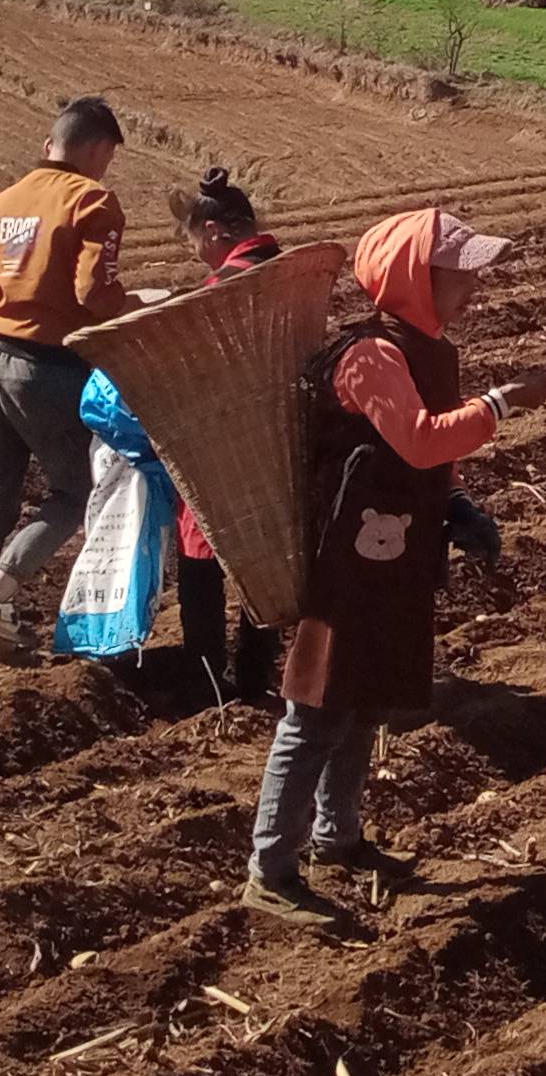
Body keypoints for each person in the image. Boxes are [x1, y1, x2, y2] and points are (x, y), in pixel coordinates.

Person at [245, 208, 522, 923]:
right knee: (317, 707)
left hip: (400, 553)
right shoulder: (370, 355)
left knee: (365, 703)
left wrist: (457, 506)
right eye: (459, 276)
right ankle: (271, 867)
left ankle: (338, 838)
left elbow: (434, 462)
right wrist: (496, 407)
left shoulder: (431, 350)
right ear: (414, 279)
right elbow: (421, 439)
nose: (473, 291)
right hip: (351, 560)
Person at [0, 98, 133, 664]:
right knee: (75, 492)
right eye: (107, 157)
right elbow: (93, 295)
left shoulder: (7, 199)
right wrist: (136, 310)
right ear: (97, 149)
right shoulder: (91, 201)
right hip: (49, 371)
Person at [171, 167, 289, 703]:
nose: (195, 250)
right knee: (266, 557)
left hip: (230, 440)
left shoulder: (225, 287)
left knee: (200, 550)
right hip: (281, 435)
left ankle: (207, 679)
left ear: (215, 231)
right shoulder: (287, 269)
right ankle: (255, 672)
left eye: (193, 239)